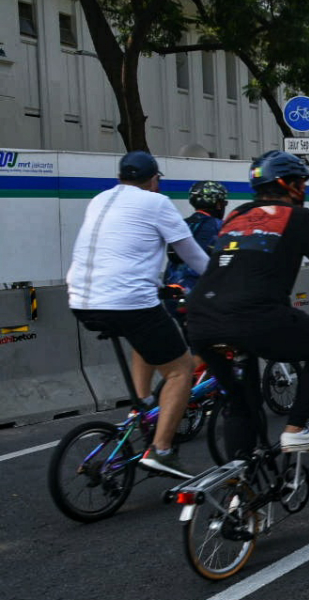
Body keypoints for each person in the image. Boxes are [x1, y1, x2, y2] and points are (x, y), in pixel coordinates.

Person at [186, 151, 309, 457]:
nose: (304, 188)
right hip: (253, 316)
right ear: (287, 184)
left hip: (201, 320)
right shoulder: (299, 218)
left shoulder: (236, 216)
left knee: (242, 405)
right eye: (301, 182)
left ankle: (240, 490)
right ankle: (296, 428)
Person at [67, 151, 211, 473]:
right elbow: (194, 257)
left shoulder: (99, 199)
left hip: (80, 301)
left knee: (146, 337)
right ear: (154, 180)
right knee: (180, 369)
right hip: (126, 302)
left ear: (121, 177)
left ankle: (143, 406)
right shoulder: (156, 203)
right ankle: (160, 450)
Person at [163, 180, 229, 294]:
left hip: (171, 288)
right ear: (218, 204)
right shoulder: (220, 226)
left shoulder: (182, 224)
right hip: (201, 292)